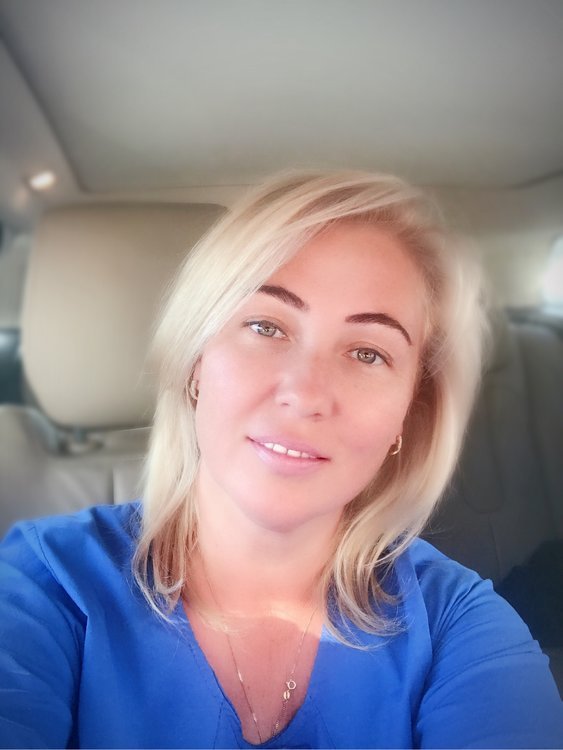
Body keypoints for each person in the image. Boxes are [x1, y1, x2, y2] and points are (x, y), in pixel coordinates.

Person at [0, 170, 561, 749]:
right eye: (266, 326)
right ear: (196, 362)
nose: (306, 392)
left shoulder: (456, 624)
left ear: (407, 416)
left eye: (368, 353)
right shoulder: (45, 585)